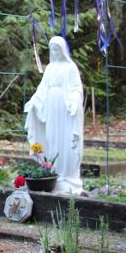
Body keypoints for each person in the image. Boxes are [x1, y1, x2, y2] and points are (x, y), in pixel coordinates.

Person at [24, 36, 84, 194]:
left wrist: (74, 100)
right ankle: (53, 171)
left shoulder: (71, 67)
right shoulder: (50, 68)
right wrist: (34, 100)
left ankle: (66, 175)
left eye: (57, 49)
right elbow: (42, 88)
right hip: (50, 106)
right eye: (52, 49)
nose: (55, 52)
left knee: (65, 140)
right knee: (52, 138)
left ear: (63, 50)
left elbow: (77, 88)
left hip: (64, 107)